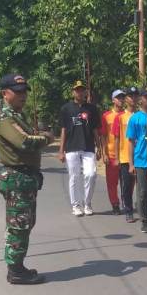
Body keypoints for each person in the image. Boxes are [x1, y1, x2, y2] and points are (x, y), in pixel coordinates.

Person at [0, 73, 53, 285]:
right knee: (18, 225)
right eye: (18, 92)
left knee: (25, 223)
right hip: (16, 177)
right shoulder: (6, 118)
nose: (23, 96)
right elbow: (25, 142)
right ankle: (15, 270)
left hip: (25, 177)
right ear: (5, 93)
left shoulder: (18, 116)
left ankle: (18, 266)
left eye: (24, 92)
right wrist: (46, 138)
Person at [58, 80, 101, 216]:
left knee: (91, 174)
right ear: (73, 92)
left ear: (85, 92)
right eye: (77, 90)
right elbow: (64, 130)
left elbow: (95, 129)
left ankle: (87, 203)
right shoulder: (66, 108)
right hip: (71, 146)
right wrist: (61, 150)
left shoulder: (92, 109)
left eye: (82, 90)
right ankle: (75, 205)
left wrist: (99, 147)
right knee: (74, 177)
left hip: (88, 146)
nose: (80, 92)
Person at [128, 87, 147, 233]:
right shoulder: (135, 118)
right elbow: (131, 141)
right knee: (143, 192)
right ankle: (144, 221)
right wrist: (131, 163)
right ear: (141, 99)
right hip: (141, 160)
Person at [113, 87, 138, 222]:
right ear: (126, 99)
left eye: (135, 95)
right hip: (124, 157)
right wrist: (117, 157)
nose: (133, 98)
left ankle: (145, 210)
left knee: (144, 187)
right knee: (127, 186)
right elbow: (116, 138)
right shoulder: (120, 117)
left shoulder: (141, 115)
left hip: (140, 157)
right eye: (130, 96)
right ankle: (128, 210)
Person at [101, 89, 125, 215]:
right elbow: (103, 136)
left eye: (122, 97)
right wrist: (104, 153)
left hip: (126, 154)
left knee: (127, 182)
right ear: (113, 100)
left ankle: (126, 202)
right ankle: (115, 204)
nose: (121, 100)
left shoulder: (129, 115)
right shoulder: (106, 116)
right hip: (111, 154)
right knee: (112, 182)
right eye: (118, 97)